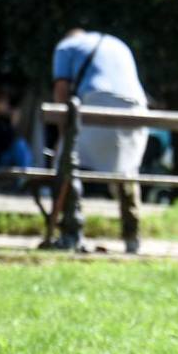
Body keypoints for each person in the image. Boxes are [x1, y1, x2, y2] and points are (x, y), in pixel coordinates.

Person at [51, 28, 149, 253]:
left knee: (65, 162)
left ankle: (70, 232)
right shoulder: (118, 43)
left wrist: (63, 135)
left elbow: (61, 93)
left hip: (97, 102)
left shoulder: (65, 47)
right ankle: (132, 238)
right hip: (137, 109)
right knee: (127, 171)